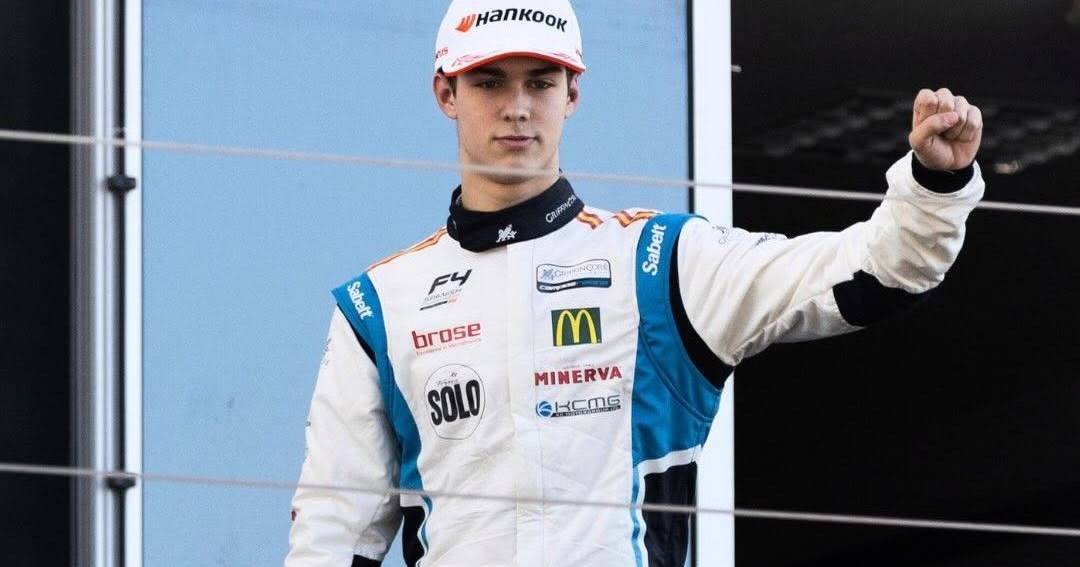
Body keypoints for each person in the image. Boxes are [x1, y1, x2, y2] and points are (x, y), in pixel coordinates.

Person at [285, 0, 985, 565]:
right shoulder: (379, 305)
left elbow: (871, 274)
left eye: (540, 82)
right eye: (490, 82)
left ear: (573, 93)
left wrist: (934, 187)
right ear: (446, 92)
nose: (517, 106)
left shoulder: (662, 260)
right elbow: (331, 540)